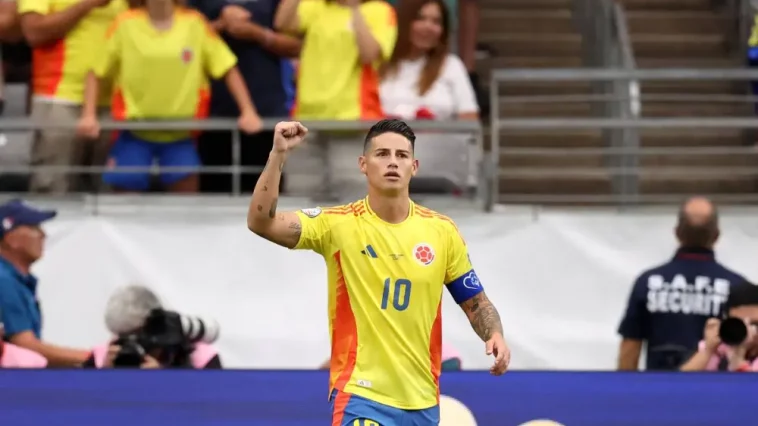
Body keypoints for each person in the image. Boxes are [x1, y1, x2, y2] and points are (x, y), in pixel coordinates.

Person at [247, 119, 510, 425]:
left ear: (414, 166)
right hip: (361, 394)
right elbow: (261, 222)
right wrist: (278, 155)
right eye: (382, 154)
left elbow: (476, 302)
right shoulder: (337, 224)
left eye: (401, 156)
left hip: (422, 400)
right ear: (363, 164)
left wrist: (495, 335)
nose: (392, 162)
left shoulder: (442, 231)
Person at [76, 0, 263, 193]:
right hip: (133, 135)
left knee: (185, 213)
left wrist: (248, 111)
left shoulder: (195, 23)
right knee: (124, 210)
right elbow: (96, 72)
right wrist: (88, 115)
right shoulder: (124, 24)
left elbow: (227, 68)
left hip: (182, 137)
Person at [617, 197, 746, 371]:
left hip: (659, 390)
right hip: (716, 392)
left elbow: (630, 349)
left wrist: (626, 393)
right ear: (716, 235)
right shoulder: (738, 287)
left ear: (677, 232)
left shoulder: (647, 283)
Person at [191, 0, 302, 194]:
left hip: (266, 113)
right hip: (209, 114)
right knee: (213, 199)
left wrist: (256, 33)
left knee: (266, 200)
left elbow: (297, 46)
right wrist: (221, 24)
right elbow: (178, 41)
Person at [18, 0, 127, 194]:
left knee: (110, 196)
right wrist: (87, 4)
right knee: (53, 190)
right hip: (59, 98)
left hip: (116, 101)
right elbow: (33, 32)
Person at [380, 0, 478, 194]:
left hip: (439, 180)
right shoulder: (381, 66)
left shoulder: (451, 66)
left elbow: (470, 123)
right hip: (384, 181)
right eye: (421, 18)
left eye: (436, 22)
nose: (428, 27)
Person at [0, 199, 90, 366]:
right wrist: (92, 358)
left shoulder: (15, 280)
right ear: (11, 238)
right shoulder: (3, 280)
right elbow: (25, 344)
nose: (43, 234)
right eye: (35, 228)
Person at [274, 0, 396, 119]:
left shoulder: (380, 10)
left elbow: (369, 55)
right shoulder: (315, 5)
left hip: (353, 116)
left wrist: (354, 9)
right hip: (307, 114)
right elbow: (282, 24)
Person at [82, 285, 222, 369]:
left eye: (136, 336)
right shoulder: (101, 357)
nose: (130, 344)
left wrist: (165, 382)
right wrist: (101, 378)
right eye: (122, 337)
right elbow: (79, 408)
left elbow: (214, 411)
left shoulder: (200, 357)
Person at [680, 280, 758, 372]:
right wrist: (708, 351)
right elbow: (679, 383)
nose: (747, 330)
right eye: (739, 323)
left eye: (755, 324)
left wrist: (737, 360)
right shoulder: (717, 349)